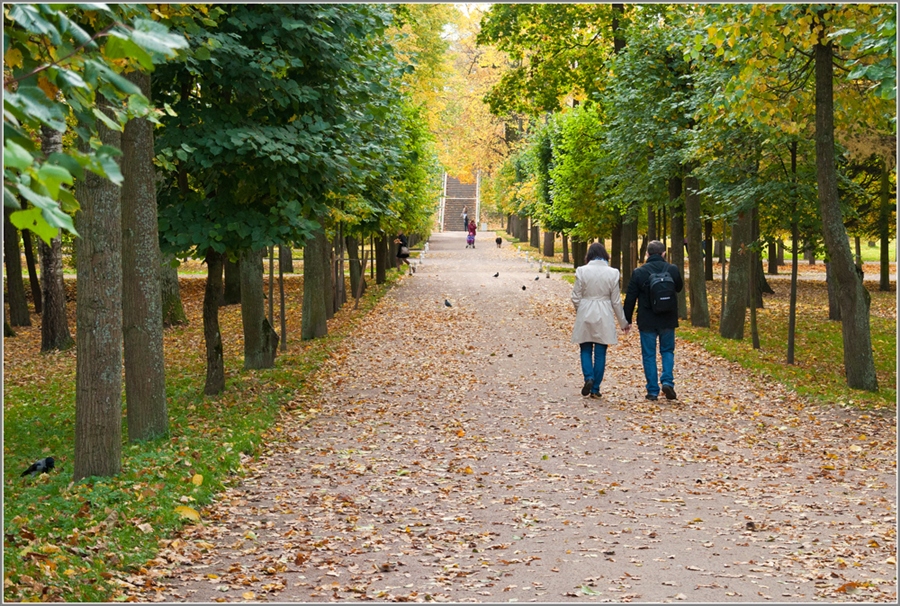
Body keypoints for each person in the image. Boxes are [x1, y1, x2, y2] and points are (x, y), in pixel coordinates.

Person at [623, 240, 684, 401]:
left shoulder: (639, 272)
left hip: (647, 319)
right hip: (668, 318)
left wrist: (626, 320)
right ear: (664, 253)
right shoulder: (672, 269)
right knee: (667, 351)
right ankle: (667, 381)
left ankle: (652, 390)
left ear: (647, 254)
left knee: (649, 355)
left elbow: (631, 297)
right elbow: (678, 288)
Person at [571, 242, 630, 400]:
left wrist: (581, 309)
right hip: (604, 311)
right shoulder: (612, 273)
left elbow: (575, 296)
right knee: (600, 352)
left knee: (584, 348)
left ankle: (588, 377)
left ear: (588, 256)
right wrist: (623, 322)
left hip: (586, 309)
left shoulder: (582, 271)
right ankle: (595, 388)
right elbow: (616, 301)